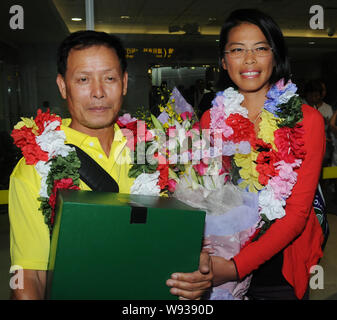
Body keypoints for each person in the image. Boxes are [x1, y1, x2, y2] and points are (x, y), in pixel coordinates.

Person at [8, 30, 212, 300]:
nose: (98, 93)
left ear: (125, 83)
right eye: (83, 79)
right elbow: (29, 277)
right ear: (62, 85)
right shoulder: (37, 165)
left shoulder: (153, 154)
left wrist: (192, 272)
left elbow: (166, 243)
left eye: (110, 78)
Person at [189, 9, 325, 300]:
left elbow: (297, 213)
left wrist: (237, 267)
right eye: (237, 50)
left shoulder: (306, 120)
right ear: (224, 62)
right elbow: (204, 196)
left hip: (278, 271)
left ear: (275, 56)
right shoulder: (210, 120)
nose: (249, 59)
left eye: (260, 48)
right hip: (220, 261)